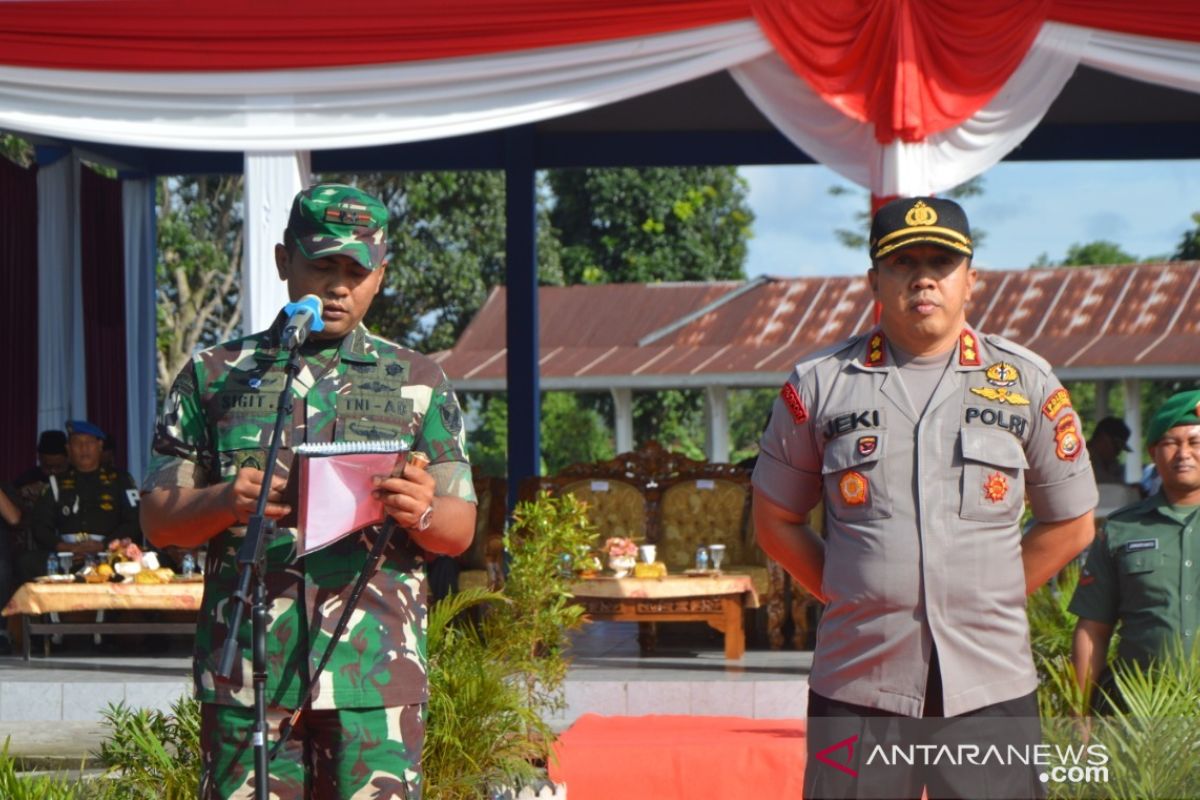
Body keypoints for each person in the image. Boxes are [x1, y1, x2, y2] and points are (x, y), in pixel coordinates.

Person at [752, 196, 1098, 799]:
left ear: (971, 279)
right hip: (859, 684)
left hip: (989, 686)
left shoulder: (1025, 383)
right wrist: (847, 588)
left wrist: (987, 594)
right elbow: (776, 521)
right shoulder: (820, 384)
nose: (923, 278)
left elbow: (1071, 523)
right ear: (874, 282)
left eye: (941, 261)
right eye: (902, 263)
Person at [140, 183, 476, 800]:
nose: (339, 285)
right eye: (323, 263)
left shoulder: (419, 382)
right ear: (283, 262)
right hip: (249, 673)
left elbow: (459, 529)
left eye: (357, 269)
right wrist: (225, 500)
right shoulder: (216, 375)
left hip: (373, 679)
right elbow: (159, 520)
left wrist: (422, 509)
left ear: (381, 275)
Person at [1069, 389, 1200, 710]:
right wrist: (1080, 715)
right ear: (1153, 452)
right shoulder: (1121, 530)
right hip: (1139, 719)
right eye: (1171, 443)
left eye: (1195, 442)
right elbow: (1093, 630)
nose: (1183, 453)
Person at [25, 420, 141, 580]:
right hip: (68, 555)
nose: (83, 448)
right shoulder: (55, 483)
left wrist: (104, 545)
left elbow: (134, 521)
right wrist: (64, 546)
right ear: (68, 449)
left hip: (108, 553)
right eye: (77, 443)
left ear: (100, 446)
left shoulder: (121, 480)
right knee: (25, 562)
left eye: (89, 442)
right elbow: (40, 525)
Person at [1087, 416, 1132, 485]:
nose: (1118, 453)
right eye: (1116, 447)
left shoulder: (1111, 465)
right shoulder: (1081, 459)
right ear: (1103, 437)